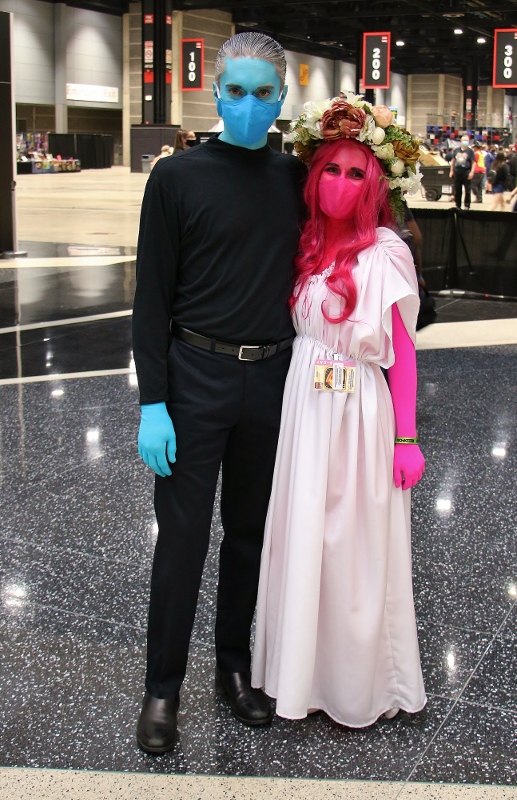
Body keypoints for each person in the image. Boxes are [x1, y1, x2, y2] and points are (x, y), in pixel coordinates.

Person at [132, 32, 305, 754]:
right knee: (181, 541)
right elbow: (150, 295)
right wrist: (152, 401)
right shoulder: (176, 178)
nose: (248, 105)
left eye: (263, 93)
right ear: (215, 92)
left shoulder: (296, 179)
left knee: (249, 536)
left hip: (271, 378)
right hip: (194, 377)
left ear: (282, 97)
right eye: (235, 91)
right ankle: (162, 688)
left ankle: (233, 668)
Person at [252, 96, 427, 727]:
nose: (342, 182)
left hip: (358, 415)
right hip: (305, 406)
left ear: (376, 183)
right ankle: (298, 675)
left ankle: (357, 684)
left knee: (353, 547)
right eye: (332, 168)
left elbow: (402, 353)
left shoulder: (386, 252)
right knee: (303, 538)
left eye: (357, 172)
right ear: (314, 173)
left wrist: (407, 437)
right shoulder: (304, 244)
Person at [449, 135, 475, 210]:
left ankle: (467, 205)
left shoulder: (470, 151)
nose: (465, 142)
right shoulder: (456, 150)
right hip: (457, 172)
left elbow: (473, 162)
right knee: (458, 190)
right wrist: (451, 171)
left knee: (467, 190)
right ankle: (458, 205)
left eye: (467, 140)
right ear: (461, 141)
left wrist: (472, 172)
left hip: (466, 172)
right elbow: (453, 161)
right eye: (464, 140)